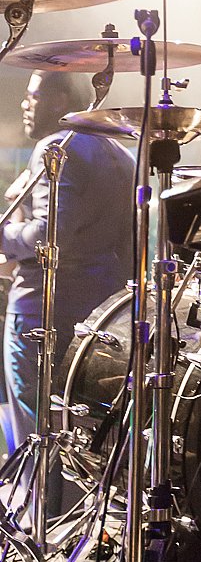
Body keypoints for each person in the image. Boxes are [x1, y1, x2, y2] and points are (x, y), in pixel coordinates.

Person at [1, 70, 135, 472]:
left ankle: (34, 508)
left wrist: (4, 235)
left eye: (34, 96)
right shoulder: (122, 154)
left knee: (34, 432)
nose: (25, 104)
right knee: (78, 432)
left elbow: (49, 235)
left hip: (40, 310)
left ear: (61, 100)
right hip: (101, 317)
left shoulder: (56, 147)